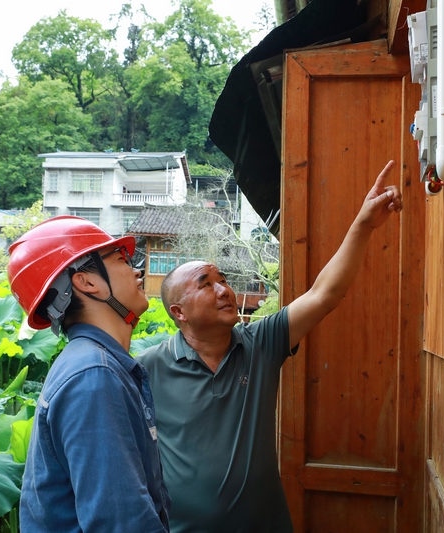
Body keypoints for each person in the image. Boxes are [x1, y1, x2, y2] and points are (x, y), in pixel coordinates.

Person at [135, 160, 402, 532]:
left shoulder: (261, 343)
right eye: (205, 283)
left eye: (223, 279)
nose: (224, 289)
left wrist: (362, 224)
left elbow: (325, 294)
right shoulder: (146, 368)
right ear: (178, 312)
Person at [8, 216, 171, 533]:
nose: (136, 270)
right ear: (86, 282)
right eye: (121, 259)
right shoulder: (94, 375)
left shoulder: (92, 363)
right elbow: (121, 523)